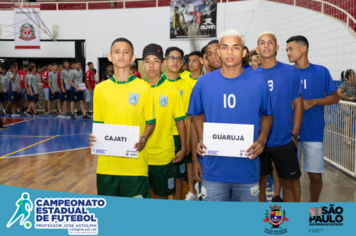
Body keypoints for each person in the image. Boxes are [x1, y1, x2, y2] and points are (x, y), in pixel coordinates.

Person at [189, 29, 273, 201]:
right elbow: (197, 114)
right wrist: (202, 137)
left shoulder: (259, 83)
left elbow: (267, 115)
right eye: (225, 47)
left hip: (247, 169)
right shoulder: (203, 83)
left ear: (243, 53)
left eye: (235, 47)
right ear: (219, 52)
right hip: (213, 170)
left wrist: (262, 139)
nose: (229, 52)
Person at [89, 38, 156, 198]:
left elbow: (151, 123)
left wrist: (144, 138)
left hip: (135, 165)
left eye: (126, 52)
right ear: (110, 57)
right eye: (117, 51)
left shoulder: (144, 88)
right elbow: (98, 124)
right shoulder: (100, 89)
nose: (121, 55)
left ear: (133, 58)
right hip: (106, 167)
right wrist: (93, 138)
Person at [286, 35, 339, 202]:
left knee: (315, 176)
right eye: (287, 50)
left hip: (313, 133)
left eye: (291, 49)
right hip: (289, 134)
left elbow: (335, 97)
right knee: (291, 177)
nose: (288, 53)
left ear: (304, 48)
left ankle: (313, 211)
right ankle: (294, 212)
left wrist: (315, 101)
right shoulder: (286, 73)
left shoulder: (321, 71)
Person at [254, 31, 303, 202]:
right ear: (257, 49)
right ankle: (261, 224)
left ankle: (290, 225)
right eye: (262, 42)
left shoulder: (291, 72)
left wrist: (295, 136)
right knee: (258, 184)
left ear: (277, 47)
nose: (266, 45)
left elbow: (298, 105)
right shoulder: (251, 76)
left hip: (284, 140)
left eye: (270, 42)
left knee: (288, 184)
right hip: (258, 141)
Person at [142, 43, 186, 199]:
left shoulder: (171, 89)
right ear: (142, 65)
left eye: (156, 61)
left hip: (163, 155)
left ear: (162, 64)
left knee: (162, 197)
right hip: (140, 156)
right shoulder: (137, 89)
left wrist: (184, 147)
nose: (151, 65)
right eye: (147, 61)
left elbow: (181, 120)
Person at [165, 46, 193, 200]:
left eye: (179, 59)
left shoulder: (186, 86)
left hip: (178, 137)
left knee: (178, 178)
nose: (175, 61)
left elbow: (189, 118)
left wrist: (186, 144)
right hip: (159, 138)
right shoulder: (155, 84)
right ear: (165, 61)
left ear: (182, 63)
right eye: (172, 58)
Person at [183, 50, 204, 200]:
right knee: (190, 159)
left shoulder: (206, 79)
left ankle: (201, 184)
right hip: (186, 123)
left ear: (201, 62)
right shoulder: (183, 79)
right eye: (189, 60)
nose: (191, 63)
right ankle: (192, 190)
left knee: (201, 157)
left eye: (194, 60)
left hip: (201, 124)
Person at [338, 69, 356, 145]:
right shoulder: (345, 84)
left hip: (353, 106)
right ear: (349, 76)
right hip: (346, 106)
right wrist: (348, 98)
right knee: (348, 122)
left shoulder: (355, 84)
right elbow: (338, 93)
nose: (355, 75)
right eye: (353, 74)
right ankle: (348, 140)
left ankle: (346, 139)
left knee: (350, 123)